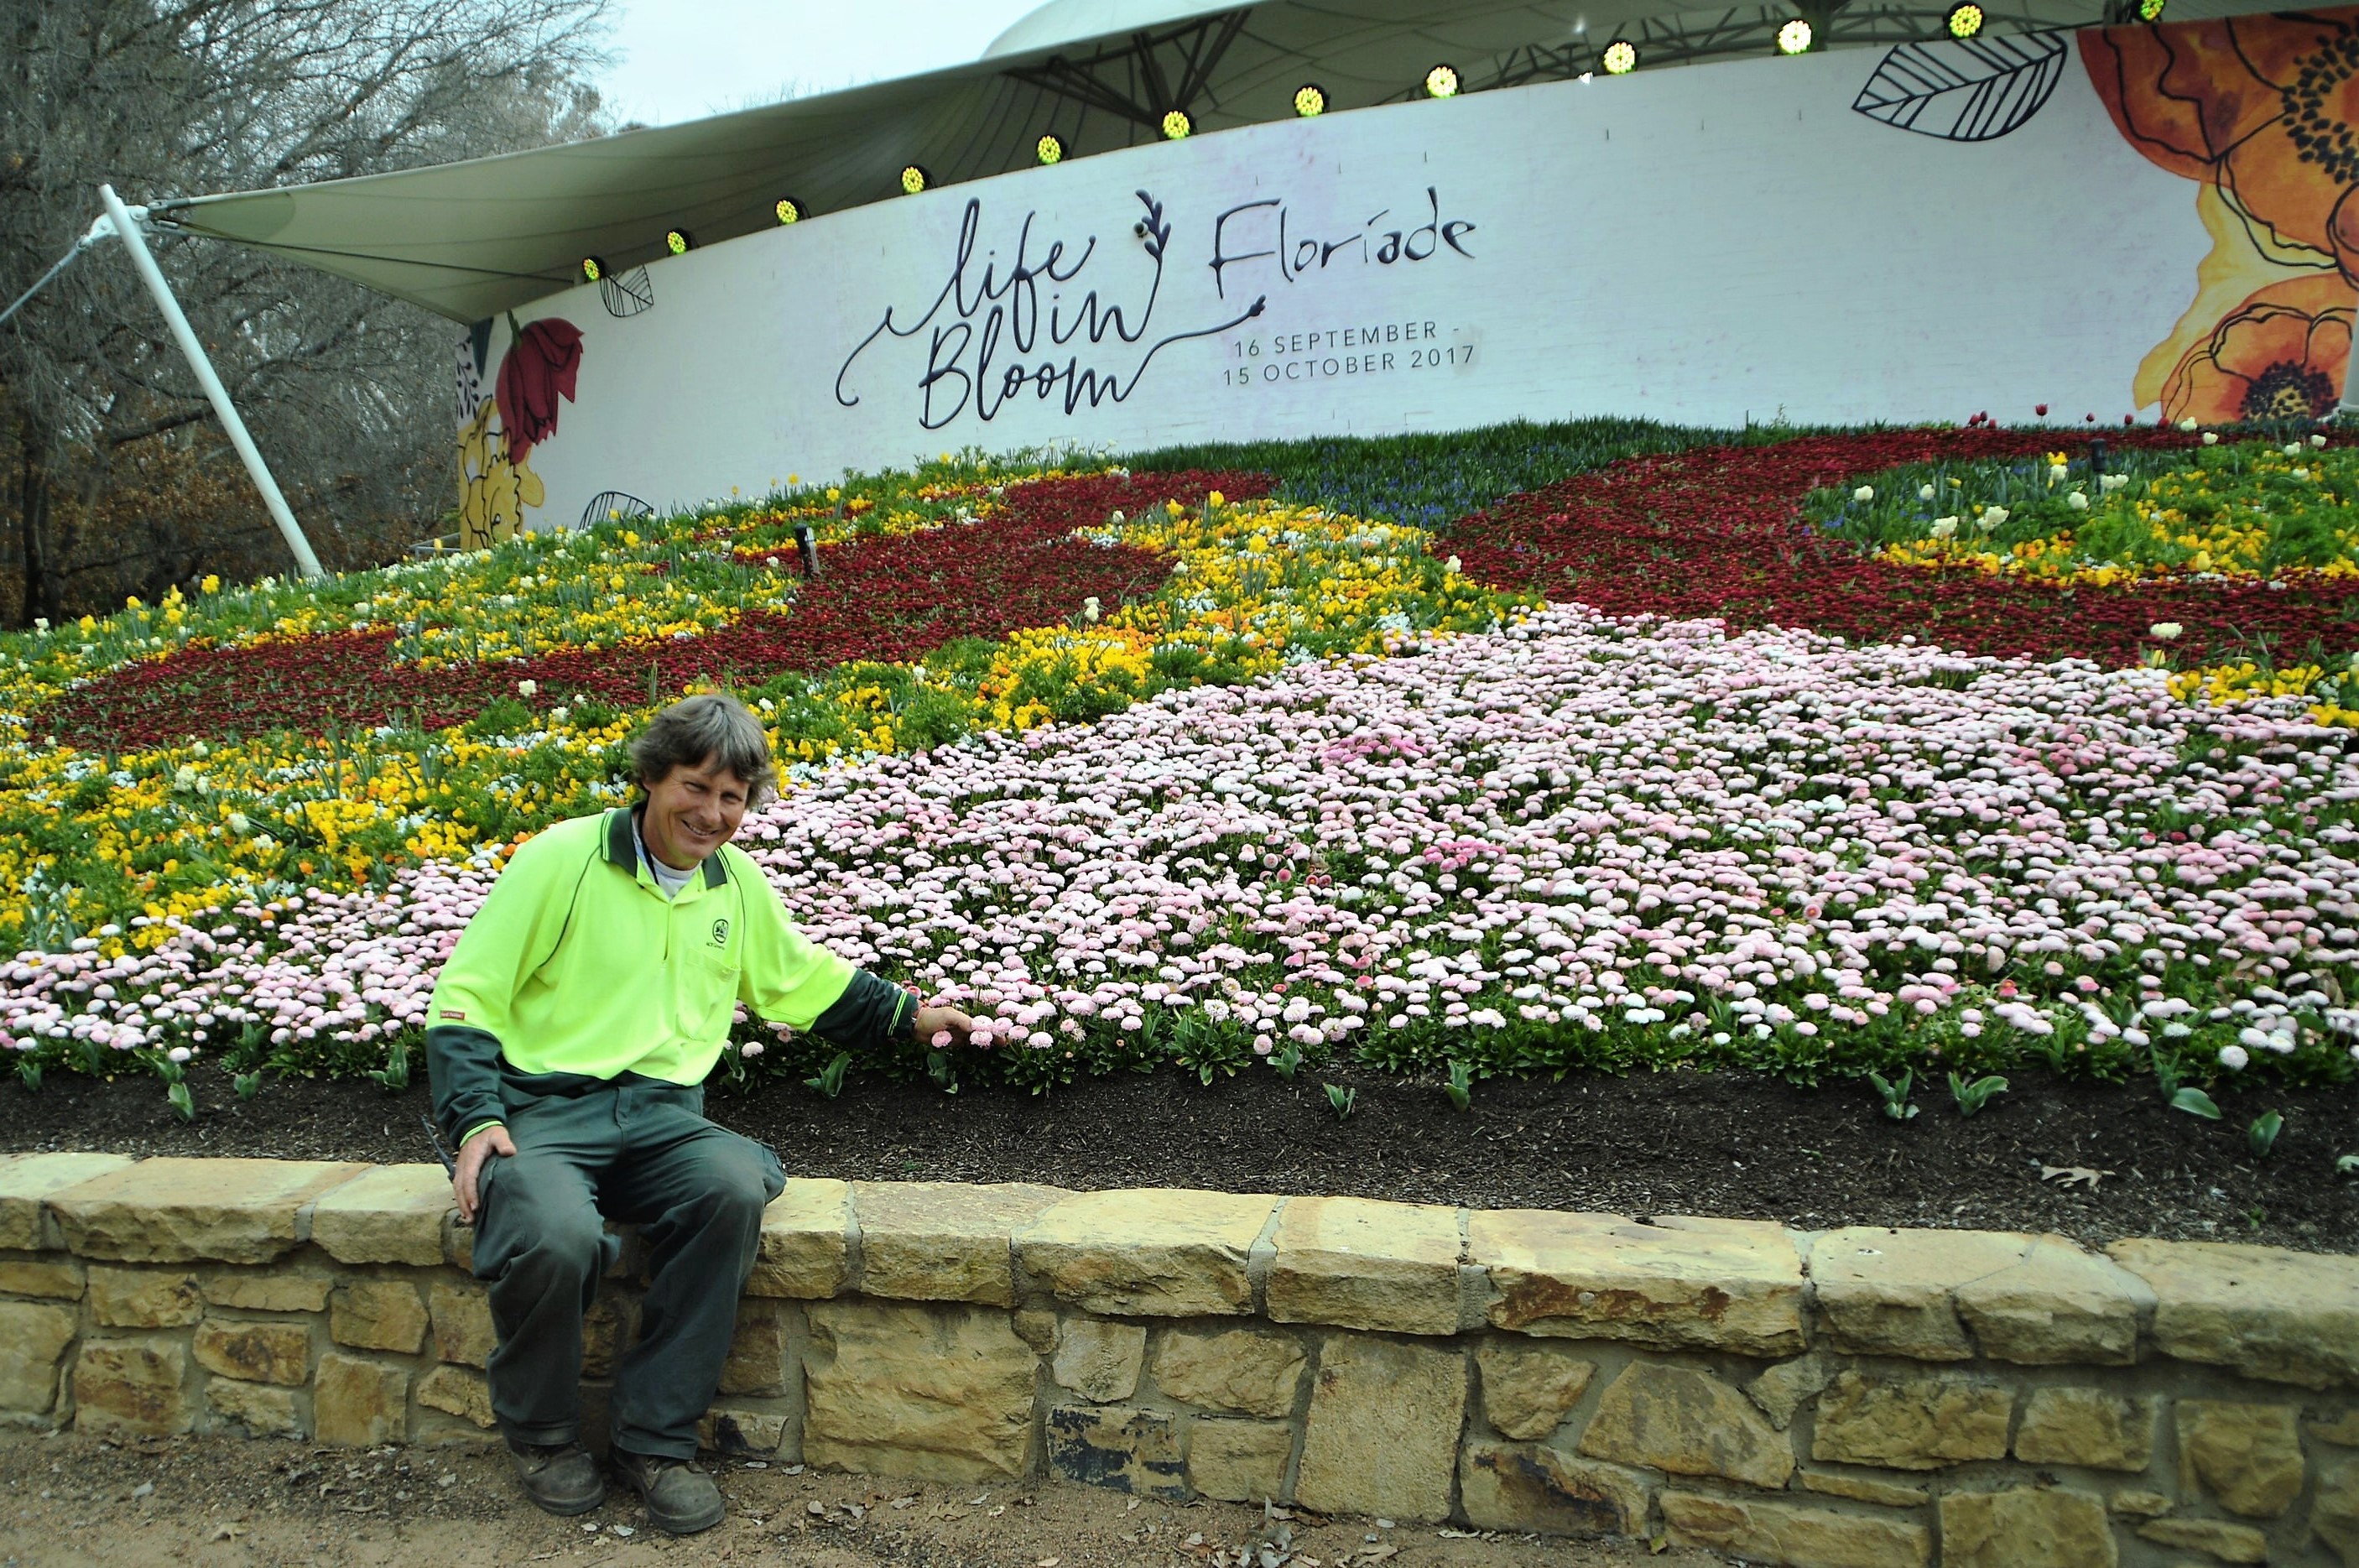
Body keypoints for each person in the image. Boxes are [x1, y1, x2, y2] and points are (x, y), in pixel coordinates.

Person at [425, 691, 971, 1534]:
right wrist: (473, 1119)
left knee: (729, 1187)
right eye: (695, 786)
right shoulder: (560, 860)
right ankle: (541, 1435)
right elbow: (466, 996)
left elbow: (798, 980)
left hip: (659, 1116)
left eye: (733, 797)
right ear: (650, 778)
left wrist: (910, 1015)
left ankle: (654, 1440)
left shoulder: (735, 884)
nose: (712, 814)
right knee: (558, 1233)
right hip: (542, 1112)